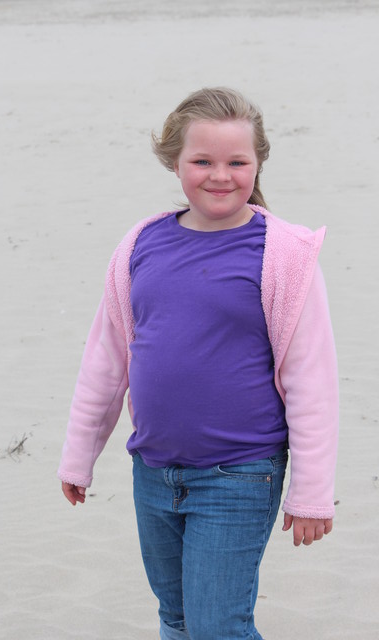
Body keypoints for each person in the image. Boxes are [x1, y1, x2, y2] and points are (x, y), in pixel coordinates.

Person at [58, 87, 339, 640]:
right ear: (174, 161)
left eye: (238, 162)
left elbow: (312, 381)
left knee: (217, 627)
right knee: (179, 619)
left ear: (257, 162)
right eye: (202, 161)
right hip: (154, 474)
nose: (220, 175)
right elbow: (107, 361)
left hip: (240, 474)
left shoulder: (282, 255)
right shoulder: (141, 245)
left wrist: (311, 491)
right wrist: (78, 456)